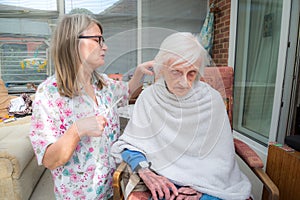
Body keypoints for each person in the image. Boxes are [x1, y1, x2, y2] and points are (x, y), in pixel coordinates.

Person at [111, 32, 252, 200]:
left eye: (191, 73)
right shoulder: (148, 97)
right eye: (177, 72)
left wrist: (205, 188)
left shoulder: (212, 100)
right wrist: (145, 171)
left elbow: (221, 157)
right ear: (162, 68)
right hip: (163, 177)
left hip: (207, 182)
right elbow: (132, 145)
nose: (185, 82)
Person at [29, 14, 153, 200]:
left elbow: (126, 91)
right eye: (97, 40)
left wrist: (138, 73)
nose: (105, 46)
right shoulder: (49, 93)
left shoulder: (103, 83)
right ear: (72, 42)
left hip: (112, 190)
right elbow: (49, 160)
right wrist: (77, 130)